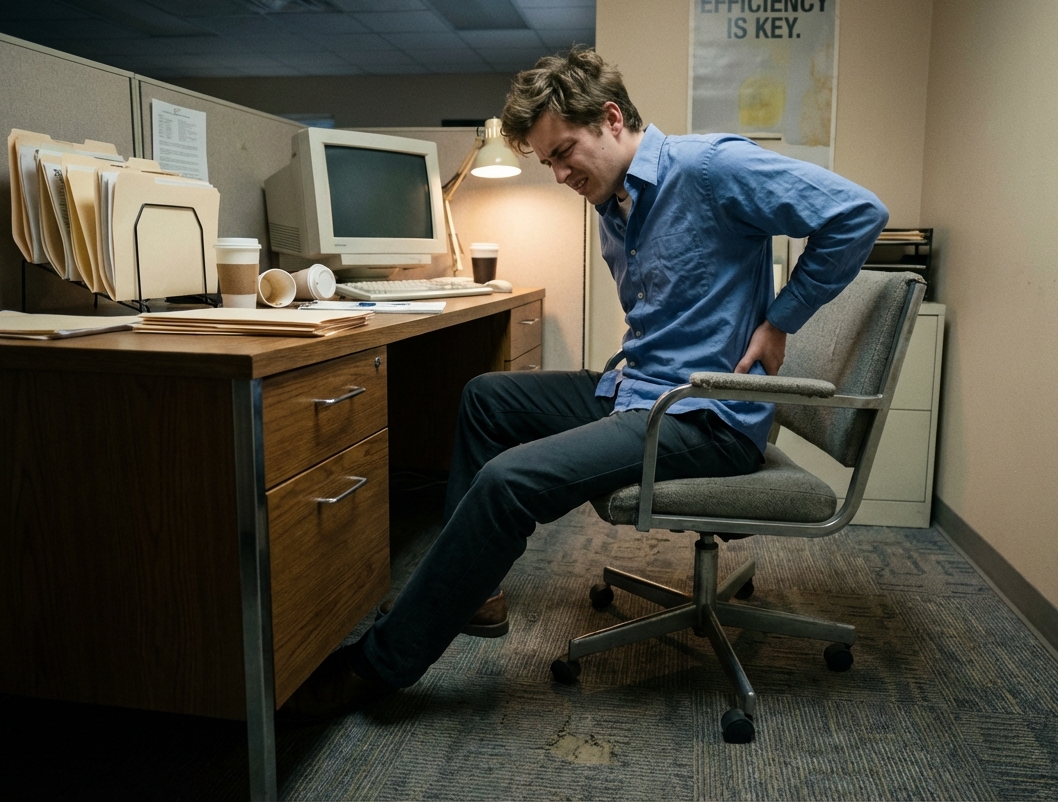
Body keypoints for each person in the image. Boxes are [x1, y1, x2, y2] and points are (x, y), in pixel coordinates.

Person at [280, 47, 889, 721]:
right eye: (548, 162)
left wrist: (780, 320)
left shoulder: (709, 168)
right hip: (640, 389)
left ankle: (380, 665)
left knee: (510, 481)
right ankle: (474, 593)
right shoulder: (613, 201)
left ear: (611, 118)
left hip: (702, 415)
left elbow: (857, 213)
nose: (560, 175)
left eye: (565, 153)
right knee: (486, 397)